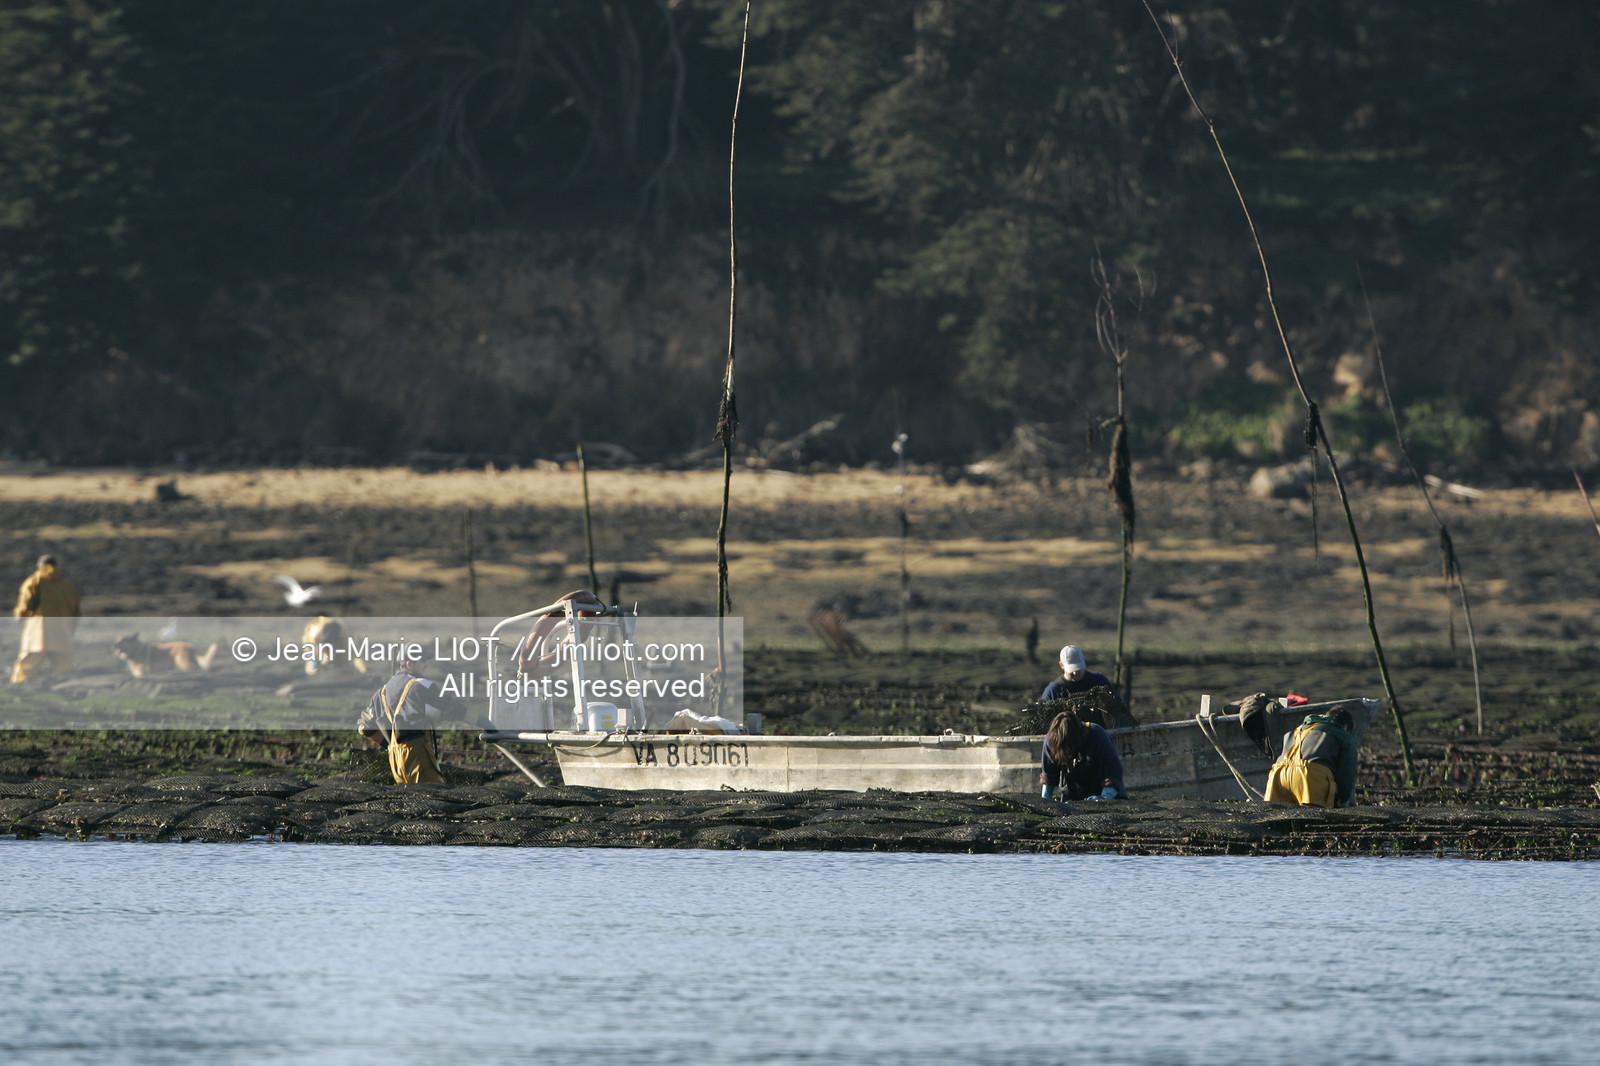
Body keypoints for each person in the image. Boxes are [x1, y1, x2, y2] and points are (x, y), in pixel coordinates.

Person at [356, 647, 491, 784]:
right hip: (418, 758)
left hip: (396, 762)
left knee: (409, 799)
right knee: (433, 796)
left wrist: (388, 745)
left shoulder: (380, 692)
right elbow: (454, 708)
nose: (426, 665)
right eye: (423, 661)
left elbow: (364, 728)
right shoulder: (421, 685)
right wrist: (481, 722)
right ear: (410, 664)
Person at [1264, 707, 1358, 808]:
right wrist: (1343, 801)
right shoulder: (1343, 736)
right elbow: (1346, 775)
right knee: (1315, 819)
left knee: (1279, 818)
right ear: (1345, 726)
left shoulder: (1300, 729)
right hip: (1310, 778)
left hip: (1278, 776)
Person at [11, 554, 81, 683]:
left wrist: (20, 615)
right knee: (65, 666)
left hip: (38, 633)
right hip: (62, 633)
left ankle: (19, 686)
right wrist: (70, 630)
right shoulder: (68, 586)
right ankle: (69, 689)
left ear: (40, 566)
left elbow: (26, 603)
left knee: (27, 664)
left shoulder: (34, 581)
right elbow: (75, 613)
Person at [1040, 711, 1127, 801]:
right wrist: (1045, 801)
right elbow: (1049, 775)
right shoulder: (1052, 740)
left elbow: (1113, 775)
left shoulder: (1098, 736)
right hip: (1072, 794)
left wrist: (1103, 799)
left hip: (1101, 791)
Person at [1040, 644, 1114, 701]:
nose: (1075, 673)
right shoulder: (1054, 691)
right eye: (1071, 670)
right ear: (1061, 665)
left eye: (1078, 669)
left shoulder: (1099, 681)